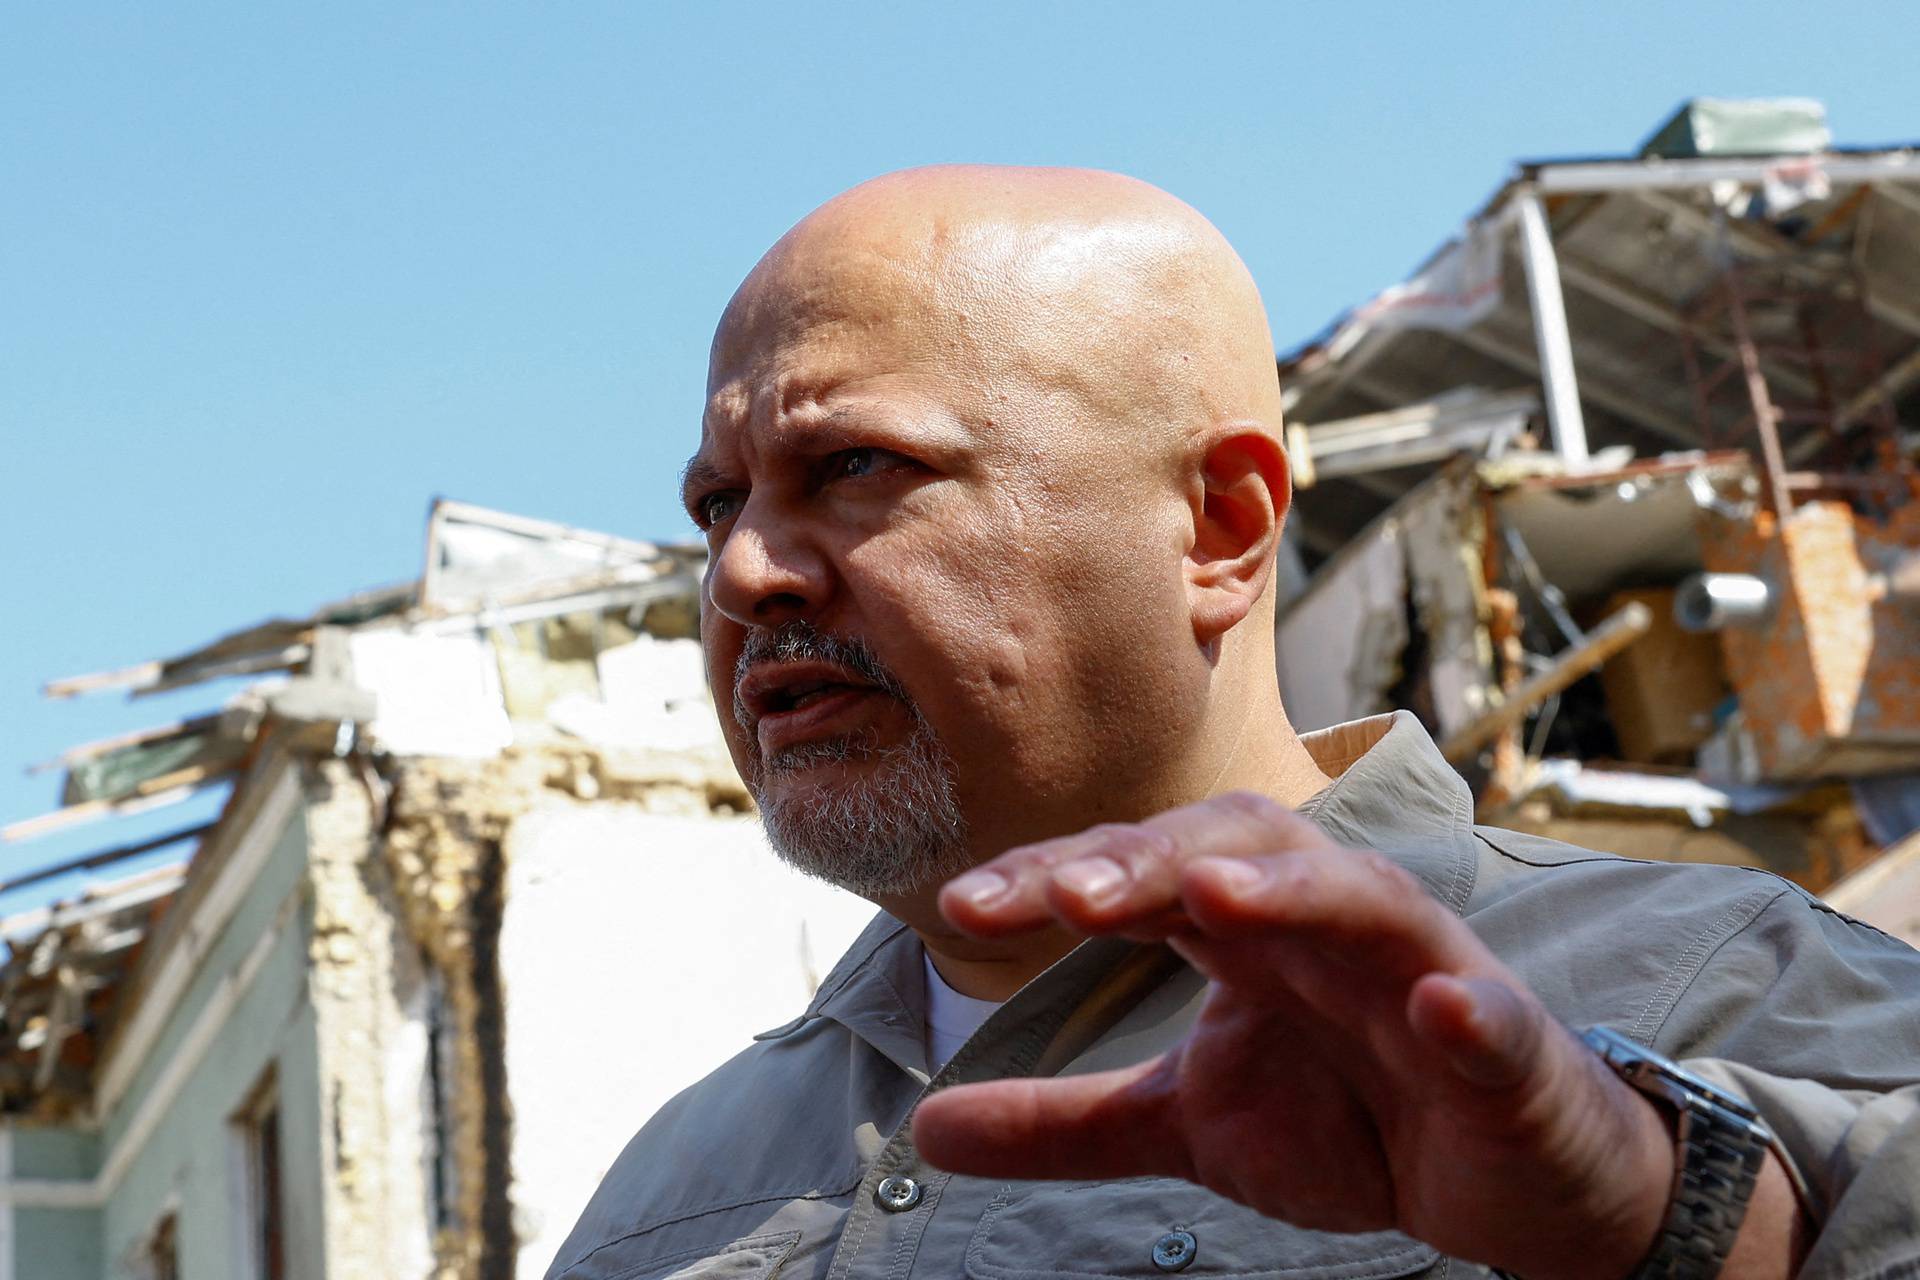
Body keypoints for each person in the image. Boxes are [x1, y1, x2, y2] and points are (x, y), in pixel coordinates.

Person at [547, 167, 1920, 1280]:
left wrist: (1670, 1219)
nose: (743, 573)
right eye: (718, 504)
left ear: (1217, 528)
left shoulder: (1717, 1000)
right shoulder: (670, 1195)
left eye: (855, 467)